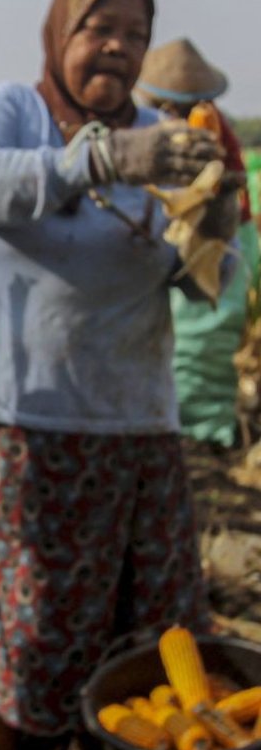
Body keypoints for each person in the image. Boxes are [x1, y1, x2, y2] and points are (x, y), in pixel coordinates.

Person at [0, 0, 235, 750]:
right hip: (26, 411)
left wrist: (213, 219)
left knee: (158, 599)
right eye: (99, 28)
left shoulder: (169, 137)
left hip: (137, 412)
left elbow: (205, 282)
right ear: (60, 33)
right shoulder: (14, 109)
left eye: (134, 34)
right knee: (37, 605)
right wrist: (103, 158)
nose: (117, 46)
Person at [136, 39, 260, 448]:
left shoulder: (204, 124)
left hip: (217, 238)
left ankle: (203, 428)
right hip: (185, 234)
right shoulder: (154, 126)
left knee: (204, 333)